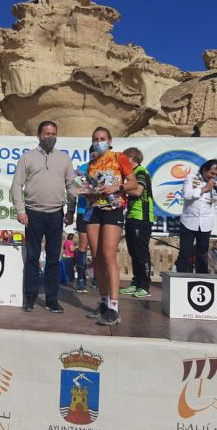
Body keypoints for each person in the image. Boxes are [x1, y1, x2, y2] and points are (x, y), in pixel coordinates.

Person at [10, 120, 76, 313]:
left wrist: (71, 210)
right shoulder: (27, 157)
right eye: (47, 134)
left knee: (54, 258)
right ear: (39, 136)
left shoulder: (64, 158)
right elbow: (16, 185)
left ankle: (52, 299)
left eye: (54, 134)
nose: (51, 137)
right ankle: (30, 298)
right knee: (32, 257)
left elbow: (71, 186)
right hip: (33, 214)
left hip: (56, 214)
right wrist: (20, 210)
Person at [84, 127, 138, 326]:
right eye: (96, 139)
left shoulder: (119, 157)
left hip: (113, 209)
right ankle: (104, 301)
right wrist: (86, 190)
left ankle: (114, 307)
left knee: (108, 256)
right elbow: (90, 186)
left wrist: (117, 187)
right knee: (96, 256)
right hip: (93, 209)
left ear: (109, 140)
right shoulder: (92, 163)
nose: (99, 142)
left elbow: (133, 183)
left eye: (102, 138)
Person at [175, 159, 217, 273]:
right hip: (188, 222)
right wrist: (205, 188)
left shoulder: (216, 185)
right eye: (212, 173)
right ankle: (180, 278)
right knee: (185, 252)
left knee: (202, 254)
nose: (213, 176)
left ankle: (201, 278)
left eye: (216, 174)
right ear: (204, 170)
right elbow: (187, 195)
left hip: (205, 224)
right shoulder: (191, 178)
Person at [120, 147, 154, 298]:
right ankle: (136, 283)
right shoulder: (132, 174)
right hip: (132, 215)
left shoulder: (141, 171)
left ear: (131, 158)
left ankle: (145, 286)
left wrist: (118, 189)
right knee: (133, 251)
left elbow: (137, 191)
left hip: (142, 216)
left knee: (141, 252)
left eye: (124, 158)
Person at [74, 145, 97, 293]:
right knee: (83, 243)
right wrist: (88, 190)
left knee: (97, 246)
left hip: (99, 210)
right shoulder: (82, 169)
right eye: (93, 153)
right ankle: (81, 279)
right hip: (83, 210)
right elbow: (76, 189)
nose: (96, 155)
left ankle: (97, 277)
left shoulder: (105, 168)